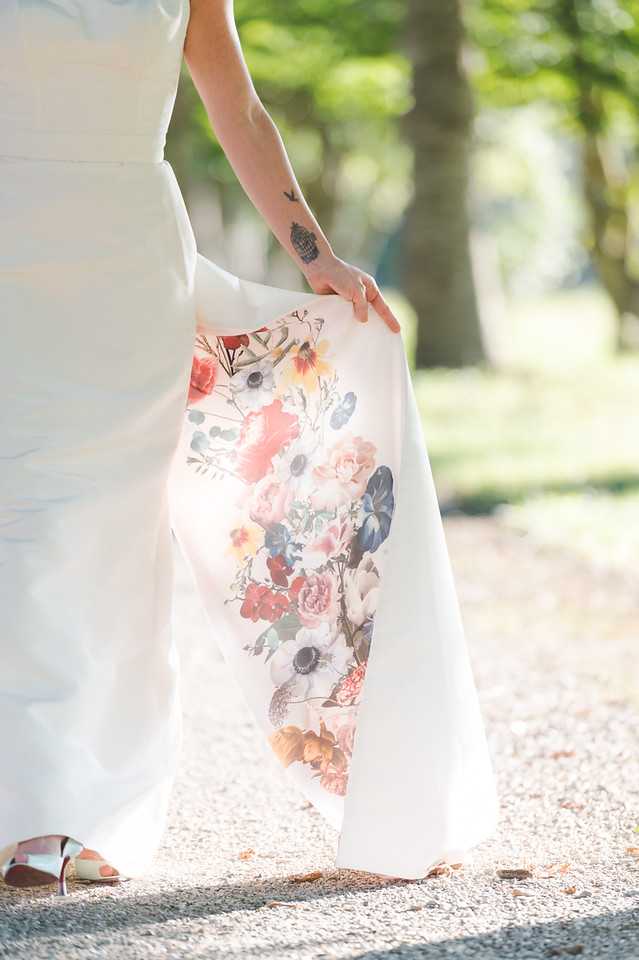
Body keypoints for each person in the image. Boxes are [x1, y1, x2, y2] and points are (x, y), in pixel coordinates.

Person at [0, 0, 499, 897]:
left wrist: (316, 258)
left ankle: (86, 808)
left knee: (108, 535)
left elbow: (237, 107)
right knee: (24, 528)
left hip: (121, 262)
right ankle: (31, 805)